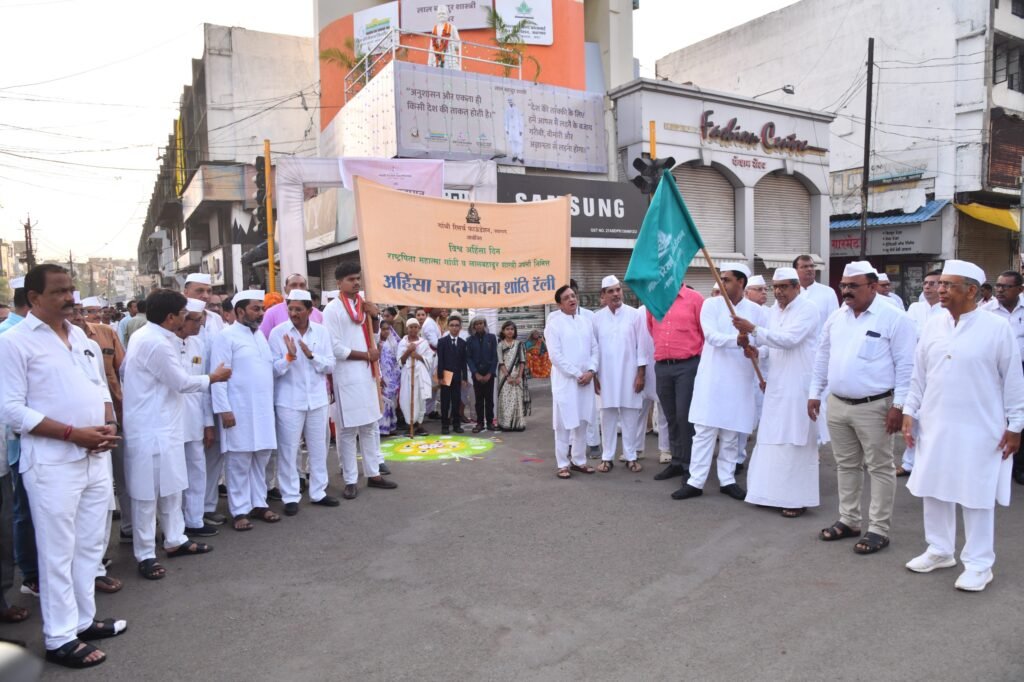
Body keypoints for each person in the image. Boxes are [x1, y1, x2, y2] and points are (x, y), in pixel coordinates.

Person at [0, 264, 126, 668]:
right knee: (57, 551)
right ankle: (58, 638)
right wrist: (74, 434)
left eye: (71, 290)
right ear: (34, 298)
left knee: (90, 546)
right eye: (59, 292)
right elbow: (11, 410)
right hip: (53, 462)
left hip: (94, 455)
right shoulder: (15, 343)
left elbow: (99, 387)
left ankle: (82, 621)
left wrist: (107, 424)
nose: (70, 297)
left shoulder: (82, 337)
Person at [902, 260, 1024, 592]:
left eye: (948, 285)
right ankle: (940, 550)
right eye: (939, 284)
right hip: (935, 422)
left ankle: (980, 564)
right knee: (934, 487)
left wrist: (1016, 426)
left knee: (975, 494)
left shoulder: (996, 328)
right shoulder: (933, 325)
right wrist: (910, 411)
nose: (940, 290)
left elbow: (1013, 380)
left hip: (981, 426)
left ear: (972, 290)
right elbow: (919, 375)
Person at [809, 261, 916, 554]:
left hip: (876, 406)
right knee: (846, 465)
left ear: (872, 286)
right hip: (838, 404)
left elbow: (907, 366)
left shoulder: (894, 318)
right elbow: (822, 355)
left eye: (852, 286)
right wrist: (814, 392)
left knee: (879, 467)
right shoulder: (837, 317)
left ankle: (878, 529)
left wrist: (898, 405)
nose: (845, 291)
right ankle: (849, 520)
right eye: (843, 285)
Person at [123, 290, 229, 578]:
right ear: (170, 317)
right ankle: (145, 554)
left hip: (167, 425)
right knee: (147, 496)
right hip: (149, 429)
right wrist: (213, 378)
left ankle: (175, 539)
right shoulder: (154, 342)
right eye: (183, 313)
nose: (186, 318)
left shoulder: (158, 337)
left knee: (172, 488)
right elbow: (180, 382)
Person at [732, 267, 820, 517]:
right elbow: (772, 347)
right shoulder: (772, 312)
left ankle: (795, 499)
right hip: (777, 383)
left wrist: (754, 330)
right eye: (775, 287)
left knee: (795, 438)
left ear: (796, 287)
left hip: (799, 384)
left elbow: (789, 340)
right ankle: (767, 494)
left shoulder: (808, 309)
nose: (778, 292)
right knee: (771, 437)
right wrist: (757, 352)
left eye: (784, 287)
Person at [675, 264, 766, 501]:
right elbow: (711, 336)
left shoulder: (756, 312)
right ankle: (695, 481)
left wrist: (756, 349)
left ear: (741, 283)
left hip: (739, 379)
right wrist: (737, 340)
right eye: (721, 279)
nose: (721, 283)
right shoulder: (711, 305)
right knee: (704, 432)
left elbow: (765, 340)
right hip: (712, 379)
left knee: (730, 432)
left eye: (726, 279)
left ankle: (727, 479)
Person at [323, 263, 397, 500]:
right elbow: (333, 347)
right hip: (346, 376)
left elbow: (374, 337)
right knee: (347, 431)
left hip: (367, 375)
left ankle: (373, 474)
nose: (356, 283)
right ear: (339, 284)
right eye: (350, 279)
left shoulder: (364, 306)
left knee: (370, 425)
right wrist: (365, 355)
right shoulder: (332, 310)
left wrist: (374, 316)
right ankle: (350, 479)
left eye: (358, 279)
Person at [211, 290, 280, 531]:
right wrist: (224, 410)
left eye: (262, 308)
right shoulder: (226, 337)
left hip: (262, 409)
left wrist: (290, 358)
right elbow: (218, 376)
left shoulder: (260, 336)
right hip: (237, 409)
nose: (261, 313)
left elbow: (268, 370)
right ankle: (239, 510)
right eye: (255, 308)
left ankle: (259, 503)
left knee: (260, 457)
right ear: (239, 311)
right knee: (239, 460)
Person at [69, 303, 126, 594]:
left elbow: (104, 384)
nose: (79, 318)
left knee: (102, 504)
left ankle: (96, 566)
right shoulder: (23, 344)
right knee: (69, 519)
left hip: (103, 433)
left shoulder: (93, 341)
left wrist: (111, 422)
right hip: (65, 446)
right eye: (74, 313)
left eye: (80, 312)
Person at [269, 289, 337, 515]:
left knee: (318, 447)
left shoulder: (321, 332)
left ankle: (319, 492)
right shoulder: (278, 333)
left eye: (299, 309)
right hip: (288, 400)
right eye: (290, 308)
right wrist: (289, 357)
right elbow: (273, 370)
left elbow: (330, 365)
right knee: (288, 449)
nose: (294, 313)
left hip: (317, 399)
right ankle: (290, 496)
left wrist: (311, 355)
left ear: (310, 310)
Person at [648, 280, 704, 484]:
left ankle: (691, 465)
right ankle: (677, 461)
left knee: (685, 416)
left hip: (687, 366)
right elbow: (651, 327)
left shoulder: (695, 299)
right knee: (670, 415)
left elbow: (704, 332)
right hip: (663, 365)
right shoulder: (654, 299)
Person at [591, 275, 647, 473]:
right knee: (607, 417)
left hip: (630, 374)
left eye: (618, 290)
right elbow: (594, 349)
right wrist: (595, 376)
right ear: (603, 296)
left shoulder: (635, 315)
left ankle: (631, 456)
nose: (616, 294)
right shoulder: (596, 318)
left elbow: (642, 347)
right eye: (611, 291)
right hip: (605, 376)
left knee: (631, 415)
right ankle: (607, 457)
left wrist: (641, 374)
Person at [175, 299, 219, 538]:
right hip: (170, 420)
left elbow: (203, 388)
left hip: (194, 419)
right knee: (173, 476)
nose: (199, 324)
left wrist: (208, 424)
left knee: (197, 470)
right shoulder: (162, 343)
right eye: (194, 319)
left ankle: (194, 519)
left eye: (201, 319)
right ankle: (174, 525)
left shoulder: (198, 344)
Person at [546, 285, 599, 479]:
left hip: (586, 380)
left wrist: (591, 371)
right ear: (559, 304)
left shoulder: (586, 322)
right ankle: (562, 463)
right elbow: (555, 356)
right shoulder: (554, 324)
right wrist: (578, 374)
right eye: (567, 297)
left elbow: (595, 348)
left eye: (573, 296)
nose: (571, 299)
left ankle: (579, 460)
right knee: (563, 424)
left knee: (582, 422)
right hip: (566, 382)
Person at [899, 269, 944, 477]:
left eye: (933, 283)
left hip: (939, 370)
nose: (928, 287)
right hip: (915, 369)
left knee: (936, 419)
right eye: (925, 283)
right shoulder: (915, 308)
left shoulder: (946, 310)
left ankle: (932, 464)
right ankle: (909, 463)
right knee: (912, 416)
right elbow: (909, 335)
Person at [983, 270, 1024, 486]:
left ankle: (1020, 467)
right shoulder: (986, 311)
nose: (1000, 290)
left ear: (1020, 289)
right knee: (999, 417)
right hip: (996, 372)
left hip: (1022, 369)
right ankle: (1000, 464)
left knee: (1020, 417)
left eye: (1006, 287)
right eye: (998, 286)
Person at [259, 273, 324, 338]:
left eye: (302, 285)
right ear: (285, 289)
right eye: (293, 285)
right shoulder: (272, 313)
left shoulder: (317, 313)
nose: (298, 288)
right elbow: (263, 339)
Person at [399, 319, 433, 436]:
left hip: (420, 375)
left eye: (415, 327)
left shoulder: (423, 343)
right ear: (407, 328)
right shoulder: (402, 343)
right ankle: (410, 425)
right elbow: (400, 361)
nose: (413, 329)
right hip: (407, 375)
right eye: (411, 327)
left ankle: (419, 425)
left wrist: (417, 356)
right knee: (406, 398)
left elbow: (429, 359)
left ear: (419, 329)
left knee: (420, 399)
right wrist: (408, 351)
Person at [436, 316, 468, 435]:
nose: (454, 328)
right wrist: (440, 376)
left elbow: (464, 361)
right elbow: (441, 360)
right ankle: (445, 425)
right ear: (448, 327)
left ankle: (456, 424)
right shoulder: (442, 342)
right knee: (445, 401)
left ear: (460, 327)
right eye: (452, 325)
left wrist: (465, 377)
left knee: (456, 401)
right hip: (446, 375)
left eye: (456, 325)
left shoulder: (462, 343)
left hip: (457, 376)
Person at [466, 316, 498, 433]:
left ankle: (490, 422)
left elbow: (495, 357)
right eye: (477, 324)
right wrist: (475, 373)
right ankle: (479, 423)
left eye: (481, 323)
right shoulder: (470, 340)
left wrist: (490, 373)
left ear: (484, 324)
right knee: (478, 400)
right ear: (473, 326)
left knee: (489, 399)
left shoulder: (491, 338)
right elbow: (468, 358)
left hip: (489, 374)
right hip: (477, 375)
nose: (479, 325)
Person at [497, 321, 527, 431]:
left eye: (512, 329)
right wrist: (508, 376)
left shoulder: (519, 344)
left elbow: (522, 361)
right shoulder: (500, 345)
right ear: (503, 331)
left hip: (517, 375)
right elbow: (500, 362)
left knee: (517, 399)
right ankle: (506, 424)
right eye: (507, 329)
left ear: (514, 331)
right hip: (505, 376)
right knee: (505, 399)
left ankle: (518, 424)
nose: (510, 331)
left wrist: (519, 376)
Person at [183, 273, 224, 338]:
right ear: (185, 292)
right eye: (200, 291)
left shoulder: (216, 318)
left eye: (209, 291)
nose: (206, 296)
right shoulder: (178, 318)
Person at [378, 320, 401, 436]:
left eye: (388, 329)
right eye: (383, 329)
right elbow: (376, 360)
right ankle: (383, 427)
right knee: (383, 400)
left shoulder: (393, 342)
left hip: (393, 375)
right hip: (382, 375)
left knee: (392, 401)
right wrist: (379, 376)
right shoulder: (377, 342)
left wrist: (397, 374)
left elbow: (397, 359)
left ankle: (391, 426)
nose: (386, 331)